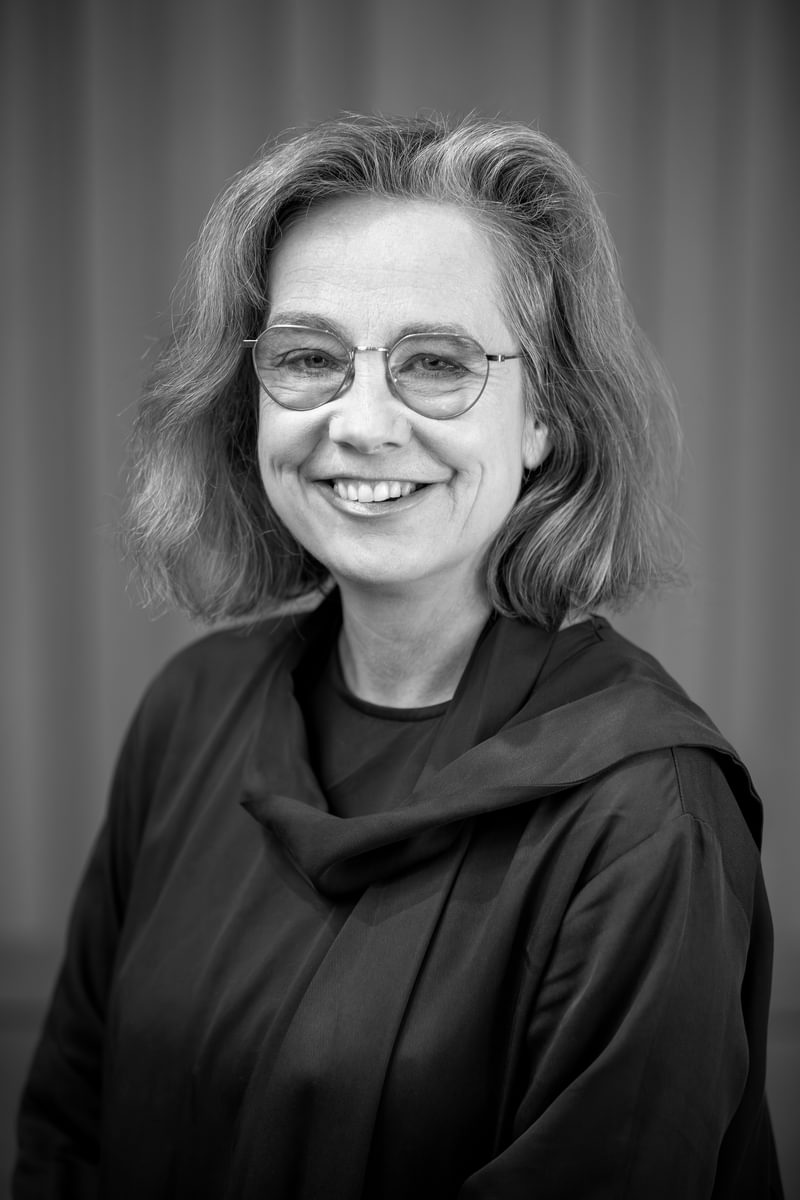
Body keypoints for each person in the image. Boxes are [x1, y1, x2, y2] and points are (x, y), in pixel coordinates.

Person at [14, 114, 783, 1199]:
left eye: (434, 362)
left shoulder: (645, 819)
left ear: (543, 419)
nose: (359, 421)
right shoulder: (190, 712)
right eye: (308, 358)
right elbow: (65, 1133)